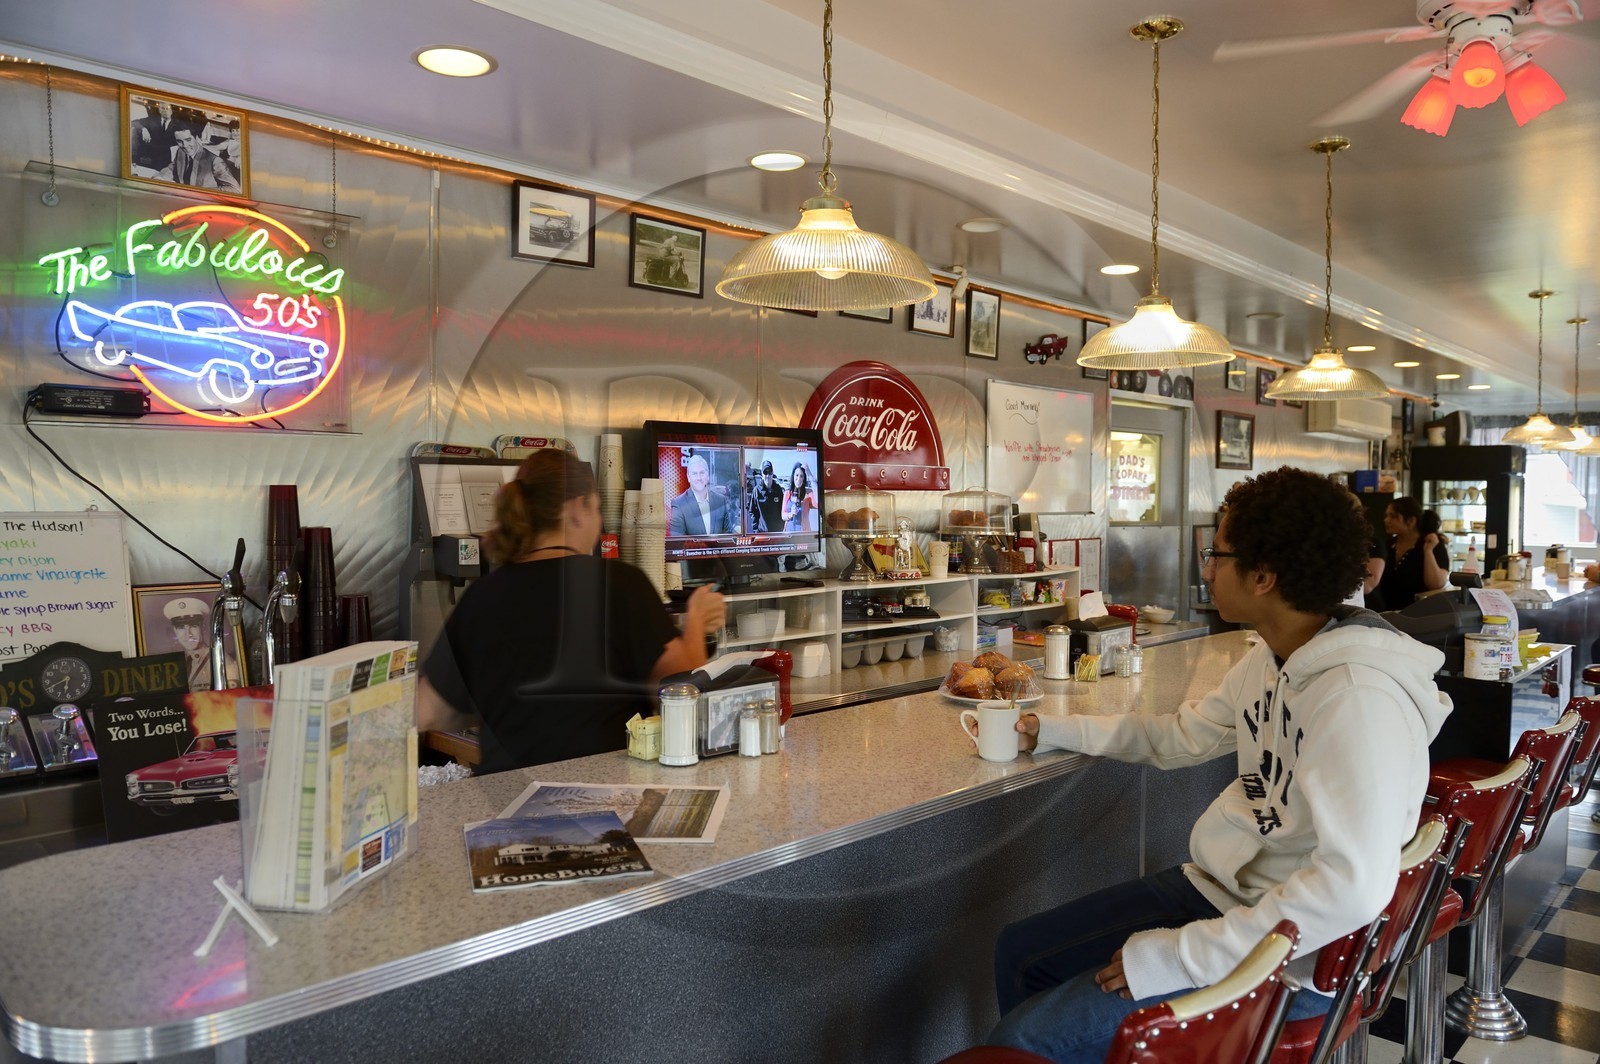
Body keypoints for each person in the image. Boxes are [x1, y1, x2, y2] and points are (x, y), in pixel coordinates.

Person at [987, 468, 1451, 1063]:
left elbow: (1351, 888)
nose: (1206, 568)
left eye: (1217, 554)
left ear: (1264, 576)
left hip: (1293, 956)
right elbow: (1180, 736)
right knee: (1020, 952)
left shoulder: (1357, 696)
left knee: (1021, 1042)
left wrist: (1178, 957)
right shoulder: (1274, 655)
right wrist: (1047, 730)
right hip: (1224, 892)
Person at [418, 450, 725, 774]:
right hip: (606, 803)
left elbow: (431, 711)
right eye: (597, 509)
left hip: (507, 810)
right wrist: (696, 623)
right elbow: (680, 692)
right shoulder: (619, 584)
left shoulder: (481, 596)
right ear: (578, 509)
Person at [1377, 496, 1449, 611]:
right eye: (1386, 515)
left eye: (1393, 516)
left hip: (1419, 614)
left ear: (1411, 521)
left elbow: (1436, 584)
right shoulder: (1387, 545)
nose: (1386, 520)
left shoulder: (1433, 545)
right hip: (1386, 614)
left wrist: (1428, 551)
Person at [163, 596, 238, 693]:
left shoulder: (221, 660)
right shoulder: (176, 663)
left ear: (203, 627)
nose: (188, 634)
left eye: (193, 626)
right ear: (174, 631)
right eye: (181, 628)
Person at [667, 453, 737, 536]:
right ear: (688, 477)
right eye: (694, 474)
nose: (699, 478)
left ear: (707, 476)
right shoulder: (679, 504)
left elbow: (728, 537)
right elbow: (677, 542)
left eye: (702, 473)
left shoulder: (721, 501)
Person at [130, 100, 180, 174]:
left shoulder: (178, 124)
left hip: (167, 159)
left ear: (171, 111)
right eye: (163, 108)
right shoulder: (152, 120)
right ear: (159, 110)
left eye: (168, 109)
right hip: (150, 156)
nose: (165, 111)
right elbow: (133, 122)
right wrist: (143, 129)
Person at [751, 461, 785, 534]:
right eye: (765, 473)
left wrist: (781, 528)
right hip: (762, 533)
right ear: (762, 474)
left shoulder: (778, 490)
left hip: (776, 533)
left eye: (770, 473)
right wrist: (756, 530)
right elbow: (753, 512)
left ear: (772, 473)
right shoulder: (756, 491)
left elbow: (783, 510)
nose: (767, 476)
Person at [781, 462, 816, 532]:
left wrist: (810, 475)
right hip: (788, 535)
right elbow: (783, 515)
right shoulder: (787, 493)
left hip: (803, 537)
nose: (798, 478)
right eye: (796, 475)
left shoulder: (808, 493)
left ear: (804, 478)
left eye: (801, 476)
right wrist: (790, 514)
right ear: (793, 476)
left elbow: (818, 503)